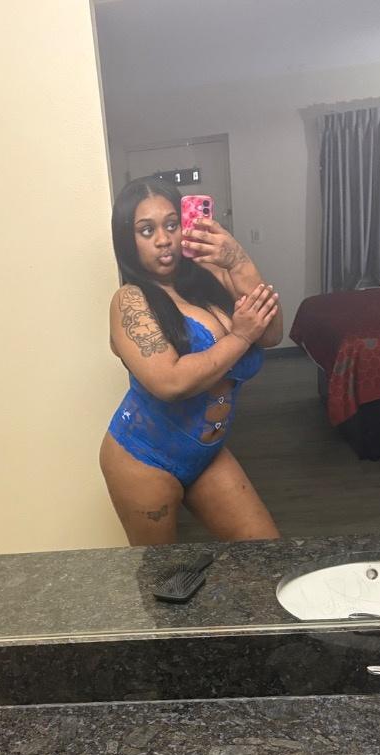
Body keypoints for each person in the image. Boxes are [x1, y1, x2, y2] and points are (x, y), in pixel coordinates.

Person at [99, 176, 283, 545]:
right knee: (161, 572)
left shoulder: (210, 278)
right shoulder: (130, 301)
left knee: (266, 553)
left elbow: (272, 333)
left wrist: (238, 260)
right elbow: (171, 382)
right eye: (146, 230)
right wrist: (239, 336)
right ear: (127, 240)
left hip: (206, 454)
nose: (163, 239)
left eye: (172, 225)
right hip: (143, 459)